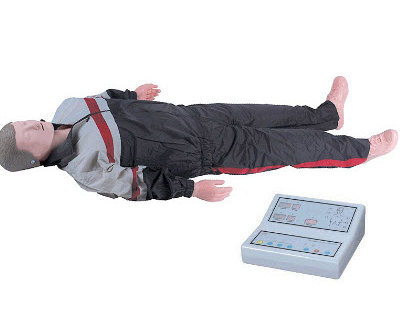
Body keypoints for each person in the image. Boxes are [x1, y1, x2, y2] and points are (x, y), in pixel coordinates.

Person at [0, 78, 397, 202]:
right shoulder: (86, 168)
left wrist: (134, 94)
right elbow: (142, 185)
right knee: (285, 147)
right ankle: (361, 150)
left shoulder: (68, 107)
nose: (32, 124)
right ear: (33, 160)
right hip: (207, 152)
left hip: (195, 115)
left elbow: (106, 98)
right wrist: (192, 190)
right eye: (27, 135)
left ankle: (327, 115)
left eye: (24, 122)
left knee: (271, 115)